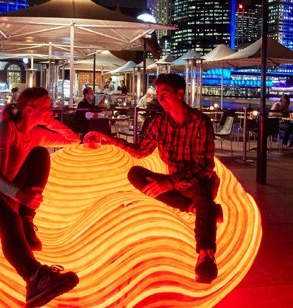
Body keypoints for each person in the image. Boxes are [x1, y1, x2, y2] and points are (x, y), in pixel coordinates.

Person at [84, 73, 222, 284]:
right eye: (158, 94)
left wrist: (170, 182)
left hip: (197, 183)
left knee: (202, 191)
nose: (161, 99)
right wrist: (112, 140)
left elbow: (204, 167)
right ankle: (199, 209)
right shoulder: (159, 122)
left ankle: (205, 255)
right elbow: (141, 151)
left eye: (165, 94)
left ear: (180, 94)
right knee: (135, 174)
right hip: (176, 186)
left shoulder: (200, 122)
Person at [0, 86, 81, 308]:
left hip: (6, 196)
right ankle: (35, 278)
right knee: (9, 220)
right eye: (46, 107)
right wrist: (20, 194)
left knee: (40, 154)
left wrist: (48, 121)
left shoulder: (35, 134)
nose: (51, 110)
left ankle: (27, 222)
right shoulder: (4, 129)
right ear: (29, 109)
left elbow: (72, 140)